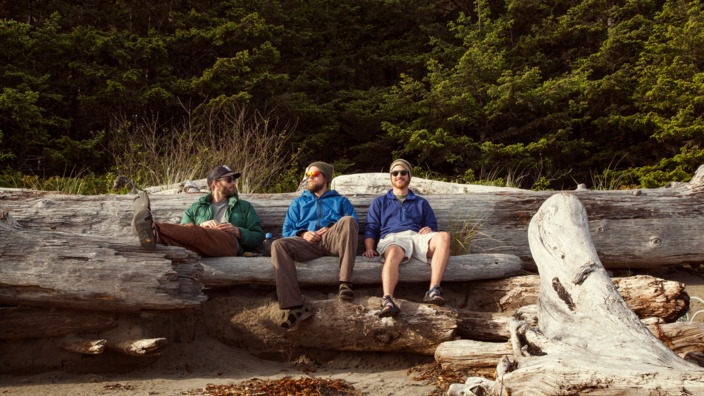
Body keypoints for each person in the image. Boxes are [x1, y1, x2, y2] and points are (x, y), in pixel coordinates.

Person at [271, 161, 359, 330]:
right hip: (307, 245)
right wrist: (303, 233)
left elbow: (354, 226)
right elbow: (287, 230)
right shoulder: (298, 203)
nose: (309, 178)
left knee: (348, 220)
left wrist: (333, 227)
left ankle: (345, 283)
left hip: (332, 241)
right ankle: (295, 306)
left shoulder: (340, 201)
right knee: (278, 245)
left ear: (325, 178)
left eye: (314, 174)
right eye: (308, 175)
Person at [362, 159, 451, 318]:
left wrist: (430, 230)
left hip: (416, 237)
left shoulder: (421, 202)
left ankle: (433, 289)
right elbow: (371, 228)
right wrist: (369, 248)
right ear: (391, 177)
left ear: (409, 176)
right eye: (395, 173)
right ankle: (388, 299)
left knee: (444, 237)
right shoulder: (380, 202)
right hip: (392, 238)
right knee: (395, 251)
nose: (399, 176)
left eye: (403, 172)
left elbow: (432, 225)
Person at [131, 165, 265, 257]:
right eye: (229, 179)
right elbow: (183, 232)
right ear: (215, 183)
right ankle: (152, 236)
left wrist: (237, 231)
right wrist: (202, 226)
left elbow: (258, 237)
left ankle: (152, 227)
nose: (234, 183)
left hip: (229, 245)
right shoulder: (196, 208)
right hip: (200, 250)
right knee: (179, 241)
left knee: (195, 230)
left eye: (234, 180)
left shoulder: (244, 207)